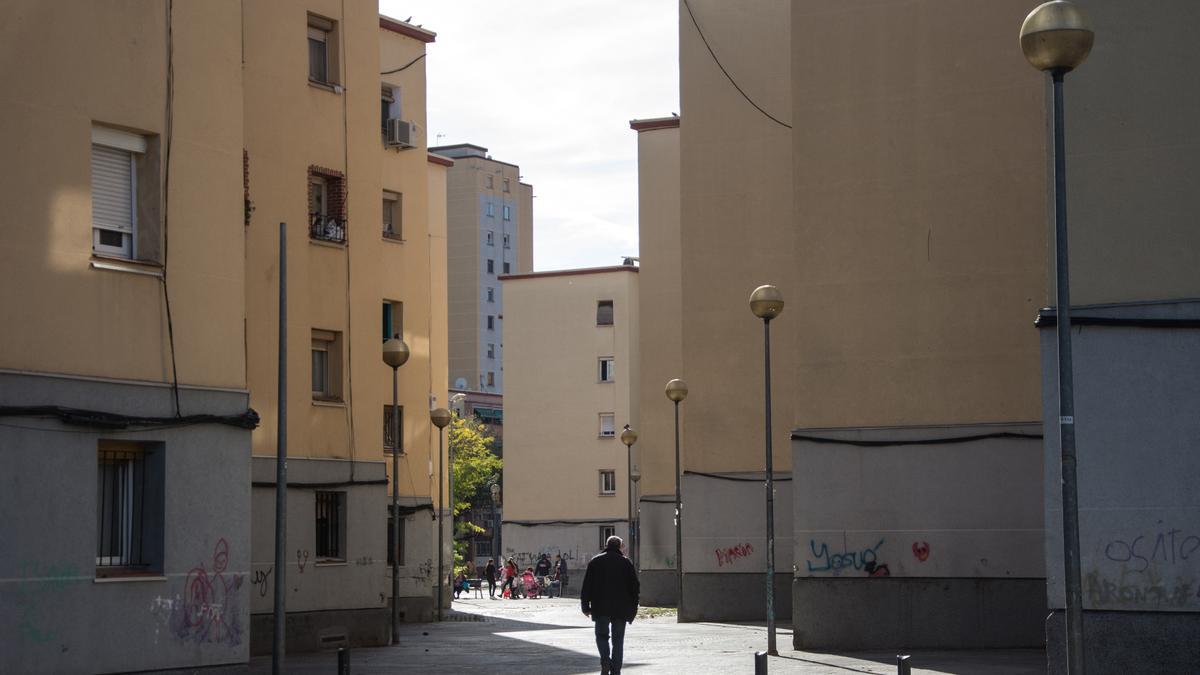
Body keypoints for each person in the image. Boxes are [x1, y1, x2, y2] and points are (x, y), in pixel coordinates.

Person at [580, 536, 639, 675]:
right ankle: (616, 669)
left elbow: (586, 586)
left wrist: (585, 606)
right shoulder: (626, 563)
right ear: (619, 546)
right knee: (618, 640)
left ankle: (605, 661)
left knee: (601, 636)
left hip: (600, 607)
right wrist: (633, 608)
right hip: (621, 608)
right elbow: (635, 588)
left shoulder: (595, 561)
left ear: (606, 545)